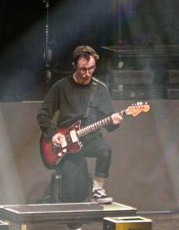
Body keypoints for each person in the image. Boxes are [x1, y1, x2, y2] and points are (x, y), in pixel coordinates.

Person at [38, 45, 121, 203]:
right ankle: (76, 226)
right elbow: (42, 114)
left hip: (90, 138)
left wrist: (115, 121)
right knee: (72, 191)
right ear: (74, 66)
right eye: (83, 69)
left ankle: (98, 189)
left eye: (91, 69)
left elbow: (110, 124)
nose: (87, 73)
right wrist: (53, 134)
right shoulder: (61, 87)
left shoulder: (100, 89)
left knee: (105, 151)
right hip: (66, 141)